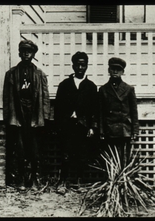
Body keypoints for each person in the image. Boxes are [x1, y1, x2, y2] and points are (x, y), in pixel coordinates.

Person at [3, 39, 50, 191]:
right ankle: (21, 179)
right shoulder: (11, 74)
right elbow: (6, 98)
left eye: (29, 52)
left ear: (33, 54)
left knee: (35, 148)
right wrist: (8, 118)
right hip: (18, 113)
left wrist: (45, 117)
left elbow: (45, 97)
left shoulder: (39, 74)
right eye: (23, 51)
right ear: (19, 53)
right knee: (20, 147)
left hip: (34, 114)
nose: (26, 54)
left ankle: (35, 179)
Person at [54, 51, 98, 193]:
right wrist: (59, 125)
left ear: (86, 66)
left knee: (81, 154)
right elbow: (58, 108)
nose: (80, 68)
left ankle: (79, 182)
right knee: (66, 154)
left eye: (83, 65)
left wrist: (92, 127)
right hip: (67, 125)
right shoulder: (64, 85)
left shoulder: (91, 87)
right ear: (73, 66)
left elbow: (94, 109)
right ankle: (63, 182)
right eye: (77, 65)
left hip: (83, 125)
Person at [98, 57, 139, 167]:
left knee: (124, 159)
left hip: (124, 129)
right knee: (110, 159)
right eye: (113, 69)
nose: (115, 71)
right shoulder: (103, 90)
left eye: (118, 69)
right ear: (109, 70)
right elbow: (101, 113)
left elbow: (134, 112)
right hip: (109, 130)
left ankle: (124, 181)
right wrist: (101, 131)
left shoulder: (129, 89)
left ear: (122, 72)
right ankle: (111, 182)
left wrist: (135, 131)